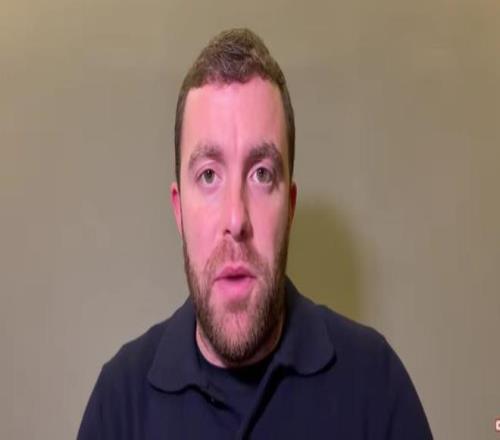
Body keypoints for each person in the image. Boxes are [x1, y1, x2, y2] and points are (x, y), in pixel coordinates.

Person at [78, 28, 432, 439]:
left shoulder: (377, 385)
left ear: (290, 208)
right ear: (178, 210)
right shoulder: (119, 403)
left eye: (261, 174)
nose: (236, 218)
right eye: (209, 175)